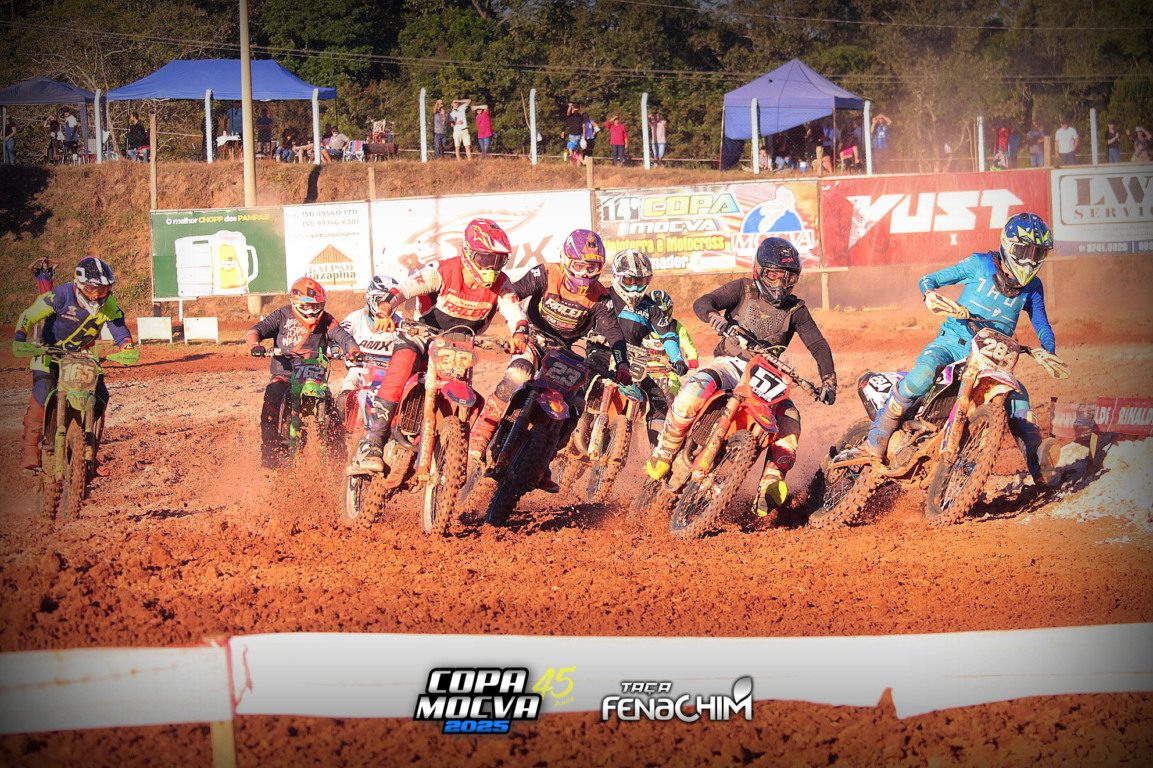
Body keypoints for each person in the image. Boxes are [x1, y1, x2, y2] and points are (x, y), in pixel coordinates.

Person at [857, 212, 1067, 487]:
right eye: (1024, 251)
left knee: (1020, 400)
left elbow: (1041, 323)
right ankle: (880, 432)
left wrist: (1047, 350)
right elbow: (929, 280)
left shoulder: (1034, 287)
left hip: (994, 357)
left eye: (1037, 253)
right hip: (952, 343)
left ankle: (1038, 464)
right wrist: (931, 295)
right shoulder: (980, 264)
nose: (1029, 259)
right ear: (1008, 245)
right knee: (922, 375)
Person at [644, 237, 838, 518]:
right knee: (692, 392)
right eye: (774, 275)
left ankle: (771, 481)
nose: (780, 285)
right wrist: (714, 317)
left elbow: (818, 344)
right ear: (759, 270)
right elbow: (703, 302)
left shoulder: (796, 310)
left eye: (788, 278)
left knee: (791, 421)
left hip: (768, 374)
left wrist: (828, 379)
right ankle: (666, 448)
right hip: (731, 363)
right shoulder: (743, 288)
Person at [352, 219, 528, 471]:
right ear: (468, 253)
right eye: (487, 260)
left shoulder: (502, 284)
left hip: (460, 346)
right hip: (421, 335)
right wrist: (385, 310)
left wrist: (520, 335)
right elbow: (404, 288)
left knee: (471, 398)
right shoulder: (442, 270)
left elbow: (515, 312)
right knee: (399, 372)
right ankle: (372, 443)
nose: (493, 267)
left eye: (499, 261)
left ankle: (461, 451)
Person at [467, 229, 631, 486]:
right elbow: (514, 293)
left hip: (563, 351)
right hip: (532, 339)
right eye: (581, 266)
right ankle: (481, 434)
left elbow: (612, 330)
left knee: (575, 405)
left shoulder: (601, 295)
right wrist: (506, 323)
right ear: (567, 261)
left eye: (593, 267)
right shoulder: (546, 273)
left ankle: (541, 465)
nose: (586, 274)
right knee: (517, 375)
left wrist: (623, 363)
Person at [13, 257, 139, 472]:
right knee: (43, 390)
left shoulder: (107, 304)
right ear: (79, 284)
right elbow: (30, 314)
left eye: (104, 288)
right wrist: (19, 337)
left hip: (82, 356)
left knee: (101, 397)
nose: (98, 294)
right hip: (49, 352)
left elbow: (118, 326)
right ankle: (30, 451)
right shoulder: (61, 295)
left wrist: (126, 346)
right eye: (92, 288)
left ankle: (90, 453)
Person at [245, 277, 363, 469]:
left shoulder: (327, 320)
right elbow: (255, 330)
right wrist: (255, 345)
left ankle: (337, 458)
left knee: (333, 412)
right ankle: (269, 449)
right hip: (285, 373)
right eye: (308, 306)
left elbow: (344, 337)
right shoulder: (281, 316)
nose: (312, 311)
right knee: (272, 395)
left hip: (315, 378)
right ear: (296, 303)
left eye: (317, 306)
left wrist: (354, 351)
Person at [604, 249, 688, 448]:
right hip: (601, 351)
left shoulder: (650, 307)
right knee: (577, 385)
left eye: (640, 282)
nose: (634, 287)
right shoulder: (603, 296)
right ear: (617, 277)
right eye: (629, 281)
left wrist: (677, 358)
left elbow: (667, 333)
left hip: (632, 361)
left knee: (658, 400)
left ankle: (654, 455)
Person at [337, 275, 403, 420]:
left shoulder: (400, 324)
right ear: (370, 298)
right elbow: (339, 334)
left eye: (390, 300)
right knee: (343, 400)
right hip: (359, 371)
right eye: (380, 300)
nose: (384, 305)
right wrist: (337, 347)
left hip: (387, 375)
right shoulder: (355, 318)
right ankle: (340, 435)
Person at [643, 289, 699, 397]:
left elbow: (688, 346)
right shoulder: (640, 325)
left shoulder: (676, 326)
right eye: (656, 314)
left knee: (673, 397)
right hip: (643, 369)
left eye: (663, 313)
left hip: (668, 371)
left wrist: (692, 359)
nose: (660, 318)